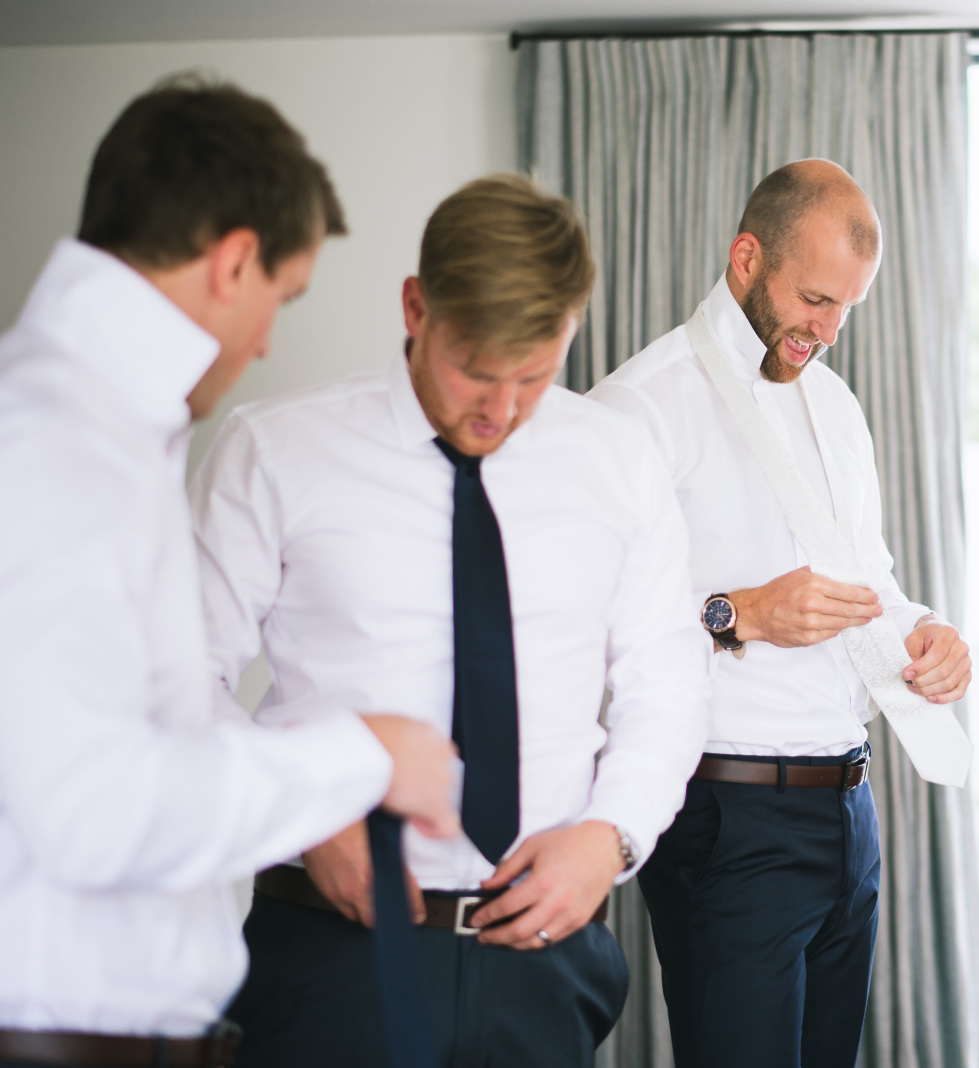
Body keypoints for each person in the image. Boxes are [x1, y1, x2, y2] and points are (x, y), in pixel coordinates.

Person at [190, 173, 710, 1068]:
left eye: (535, 376)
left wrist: (611, 836)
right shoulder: (273, 451)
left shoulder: (620, 461)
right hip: (333, 953)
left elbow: (667, 683)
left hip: (547, 962)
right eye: (475, 369)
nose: (500, 411)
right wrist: (303, 813)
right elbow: (177, 679)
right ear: (415, 307)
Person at [0, 77, 459, 1068]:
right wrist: (361, 757)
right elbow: (93, 806)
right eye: (280, 299)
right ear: (234, 260)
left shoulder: (101, 433)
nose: (267, 342)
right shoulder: (54, 442)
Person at [589, 159, 973, 1068]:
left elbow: (870, 579)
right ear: (746, 258)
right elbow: (586, 632)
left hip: (850, 810)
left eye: (847, 309)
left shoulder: (836, 406)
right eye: (813, 299)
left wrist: (926, 632)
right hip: (728, 817)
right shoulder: (638, 408)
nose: (828, 331)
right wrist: (743, 614)